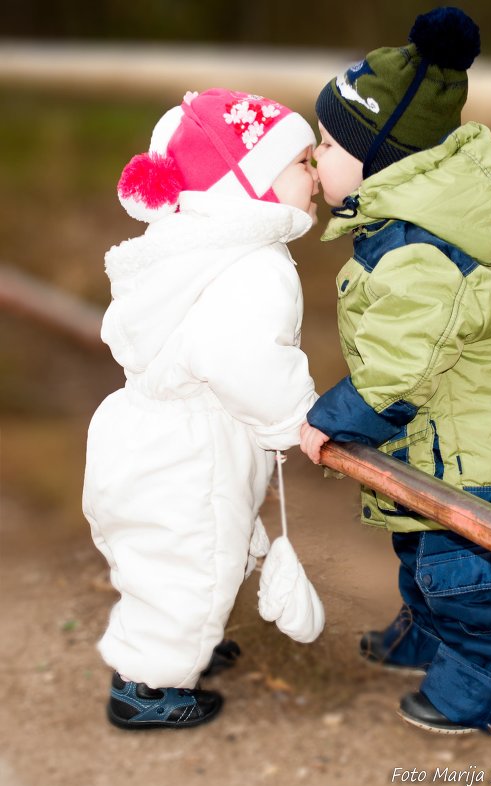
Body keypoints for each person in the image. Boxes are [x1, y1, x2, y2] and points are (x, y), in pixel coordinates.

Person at [300, 6, 491, 737]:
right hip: (454, 435)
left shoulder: (418, 248)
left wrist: (326, 421)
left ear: (378, 156)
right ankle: (433, 633)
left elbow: (397, 373)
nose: (316, 158)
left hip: (484, 453)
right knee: (423, 545)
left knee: (473, 577)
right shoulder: (399, 225)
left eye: (326, 143)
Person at [83, 88, 320, 729]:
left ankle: (183, 644)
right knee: (193, 562)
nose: (317, 173)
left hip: (139, 429)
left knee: (182, 553)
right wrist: (295, 416)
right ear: (250, 182)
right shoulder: (255, 266)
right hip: (193, 450)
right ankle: (146, 688)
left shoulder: (186, 246)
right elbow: (242, 357)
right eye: (301, 162)